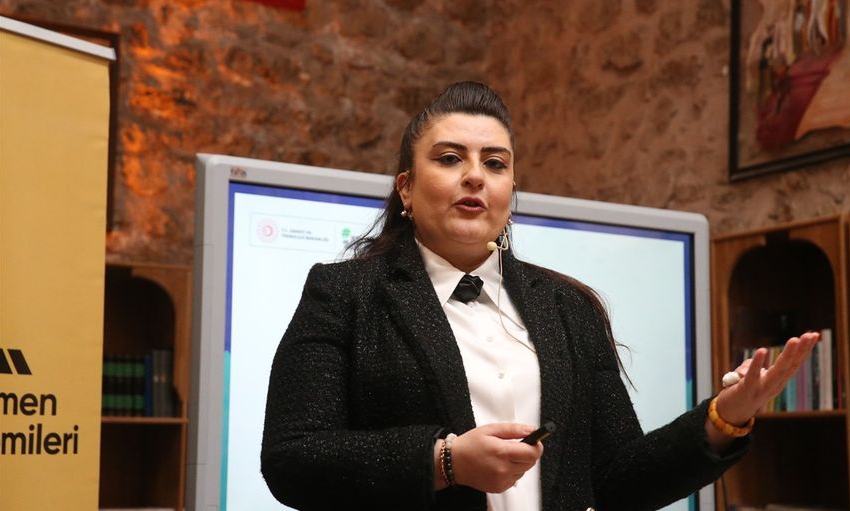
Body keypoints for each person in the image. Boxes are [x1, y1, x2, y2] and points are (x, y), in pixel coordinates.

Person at [261, 81, 820, 511]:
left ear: (510, 189)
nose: (475, 176)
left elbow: (620, 479)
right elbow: (291, 459)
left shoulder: (567, 307)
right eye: (450, 158)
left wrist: (723, 417)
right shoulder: (345, 293)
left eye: (495, 163)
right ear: (406, 187)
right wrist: (445, 460)